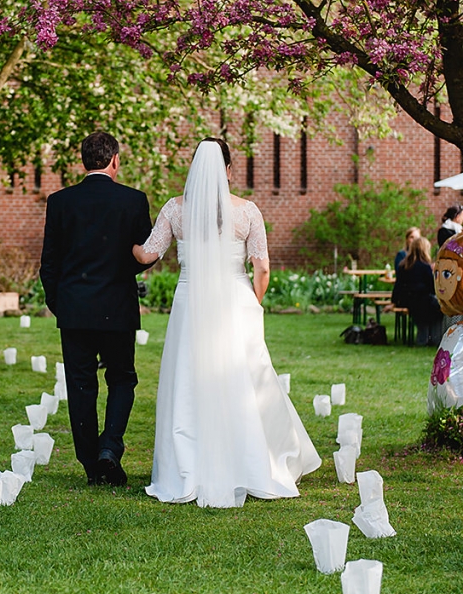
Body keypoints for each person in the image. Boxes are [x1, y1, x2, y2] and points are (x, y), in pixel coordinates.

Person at [132, 137, 321, 508]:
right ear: (229, 171)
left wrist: (127, 242)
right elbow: (262, 267)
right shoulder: (248, 211)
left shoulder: (175, 209)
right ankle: (250, 463)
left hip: (190, 302)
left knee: (189, 379)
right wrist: (253, 302)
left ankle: (187, 467)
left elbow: (147, 254)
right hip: (236, 302)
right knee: (245, 379)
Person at [40, 131, 153, 487]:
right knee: (122, 379)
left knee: (80, 385)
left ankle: (91, 464)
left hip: (74, 309)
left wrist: (61, 305)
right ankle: (110, 449)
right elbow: (144, 254)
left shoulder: (60, 202)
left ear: (83, 161)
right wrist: (123, 275)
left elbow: (49, 265)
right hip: (118, 306)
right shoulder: (134, 201)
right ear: (115, 161)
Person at [391, 236, 443, 346]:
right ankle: (434, 338)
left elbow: (398, 285)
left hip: (407, 300)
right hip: (422, 300)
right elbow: (432, 288)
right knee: (439, 308)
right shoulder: (424, 267)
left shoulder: (403, 265)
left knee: (425, 309)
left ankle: (423, 338)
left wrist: (394, 301)